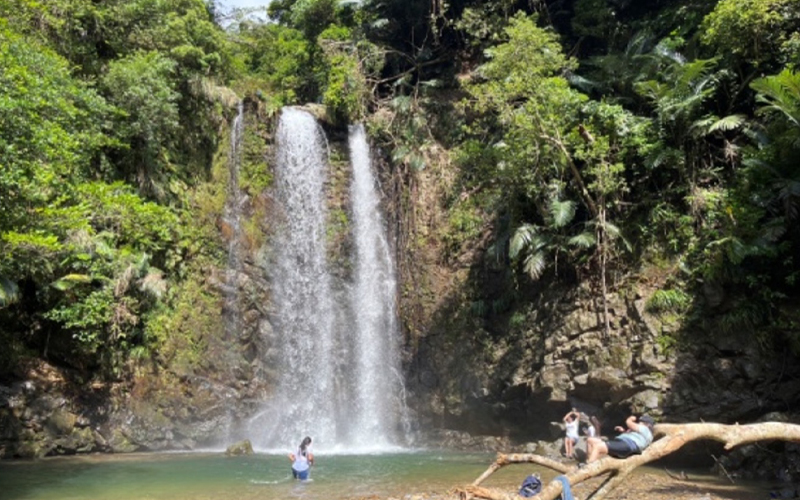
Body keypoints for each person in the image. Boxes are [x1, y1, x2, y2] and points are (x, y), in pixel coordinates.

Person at [586, 415, 655, 463]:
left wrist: (630, 419)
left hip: (627, 445)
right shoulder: (645, 434)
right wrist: (623, 431)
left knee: (598, 446)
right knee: (590, 440)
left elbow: (629, 423)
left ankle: (588, 466)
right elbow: (634, 436)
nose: (638, 423)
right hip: (625, 444)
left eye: (640, 422)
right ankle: (590, 461)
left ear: (646, 424)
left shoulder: (645, 429)